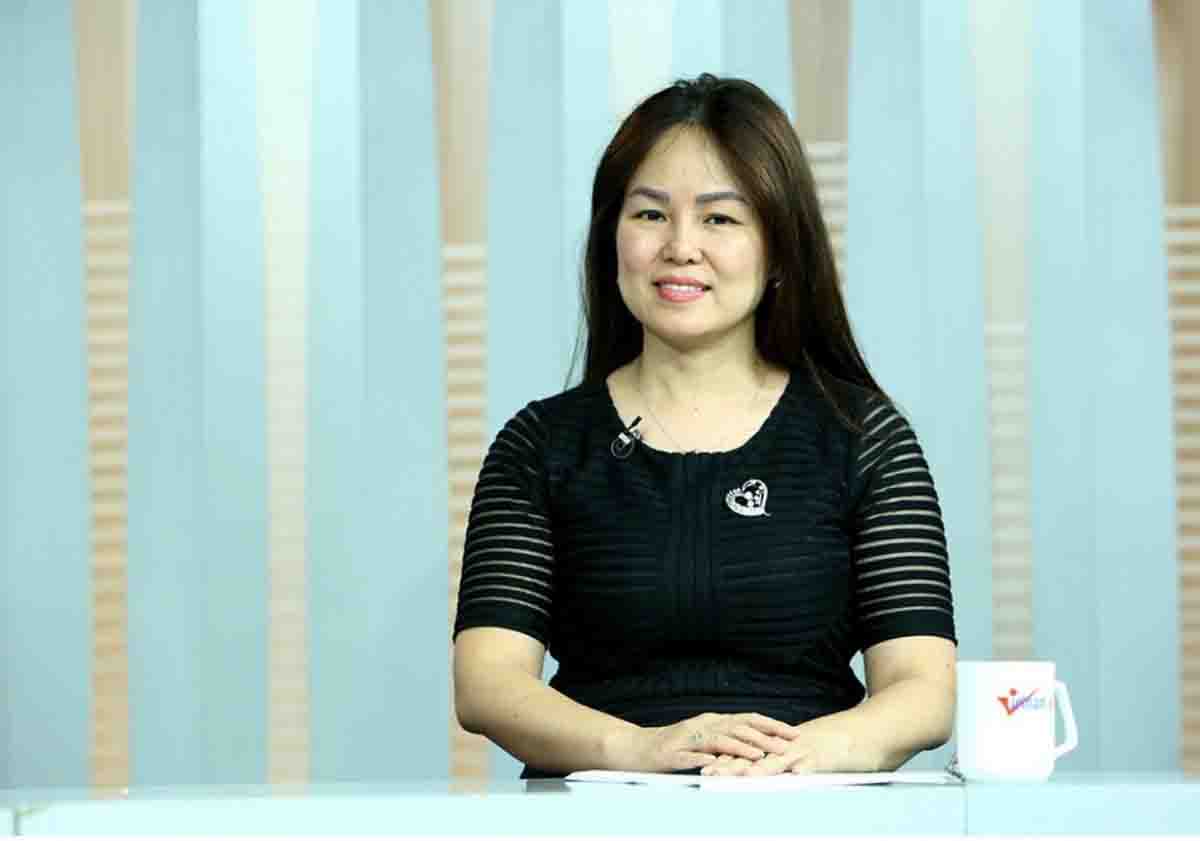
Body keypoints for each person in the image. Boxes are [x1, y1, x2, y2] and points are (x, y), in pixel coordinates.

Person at [452, 73, 956, 779]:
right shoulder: (539, 445)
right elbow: (488, 683)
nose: (681, 246)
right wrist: (640, 750)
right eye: (650, 214)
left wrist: (799, 757)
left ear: (779, 248)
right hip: (599, 814)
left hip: (807, 807)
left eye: (720, 218)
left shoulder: (863, 436)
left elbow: (924, 689)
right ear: (611, 238)